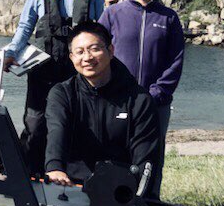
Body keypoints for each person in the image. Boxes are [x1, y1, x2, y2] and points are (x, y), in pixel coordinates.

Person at [2, 0, 114, 174]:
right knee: (36, 122)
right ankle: (28, 173)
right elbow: (25, 27)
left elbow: (101, 27)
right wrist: (11, 52)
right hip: (44, 67)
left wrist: (109, 7)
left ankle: (71, 177)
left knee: (75, 124)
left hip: (78, 69)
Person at [99, 0, 184, 197]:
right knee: (114, 154)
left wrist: (155, 94)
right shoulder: (112, 14)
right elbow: (98, 54)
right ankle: (111, 202)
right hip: (117, 100)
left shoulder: (169, 18)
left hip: (155, 104)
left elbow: (176, 61)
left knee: (151, 158)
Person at [44, 22, 159, 190]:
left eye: (94, 49)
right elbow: (57, 131)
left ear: (110, 51)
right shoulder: (62, 93)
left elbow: (144, 158)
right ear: (71, 58)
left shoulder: (139, 99)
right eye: (80, 52)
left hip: (120, 189)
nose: (87, 57)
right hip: (72, 184)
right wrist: (54, 167)